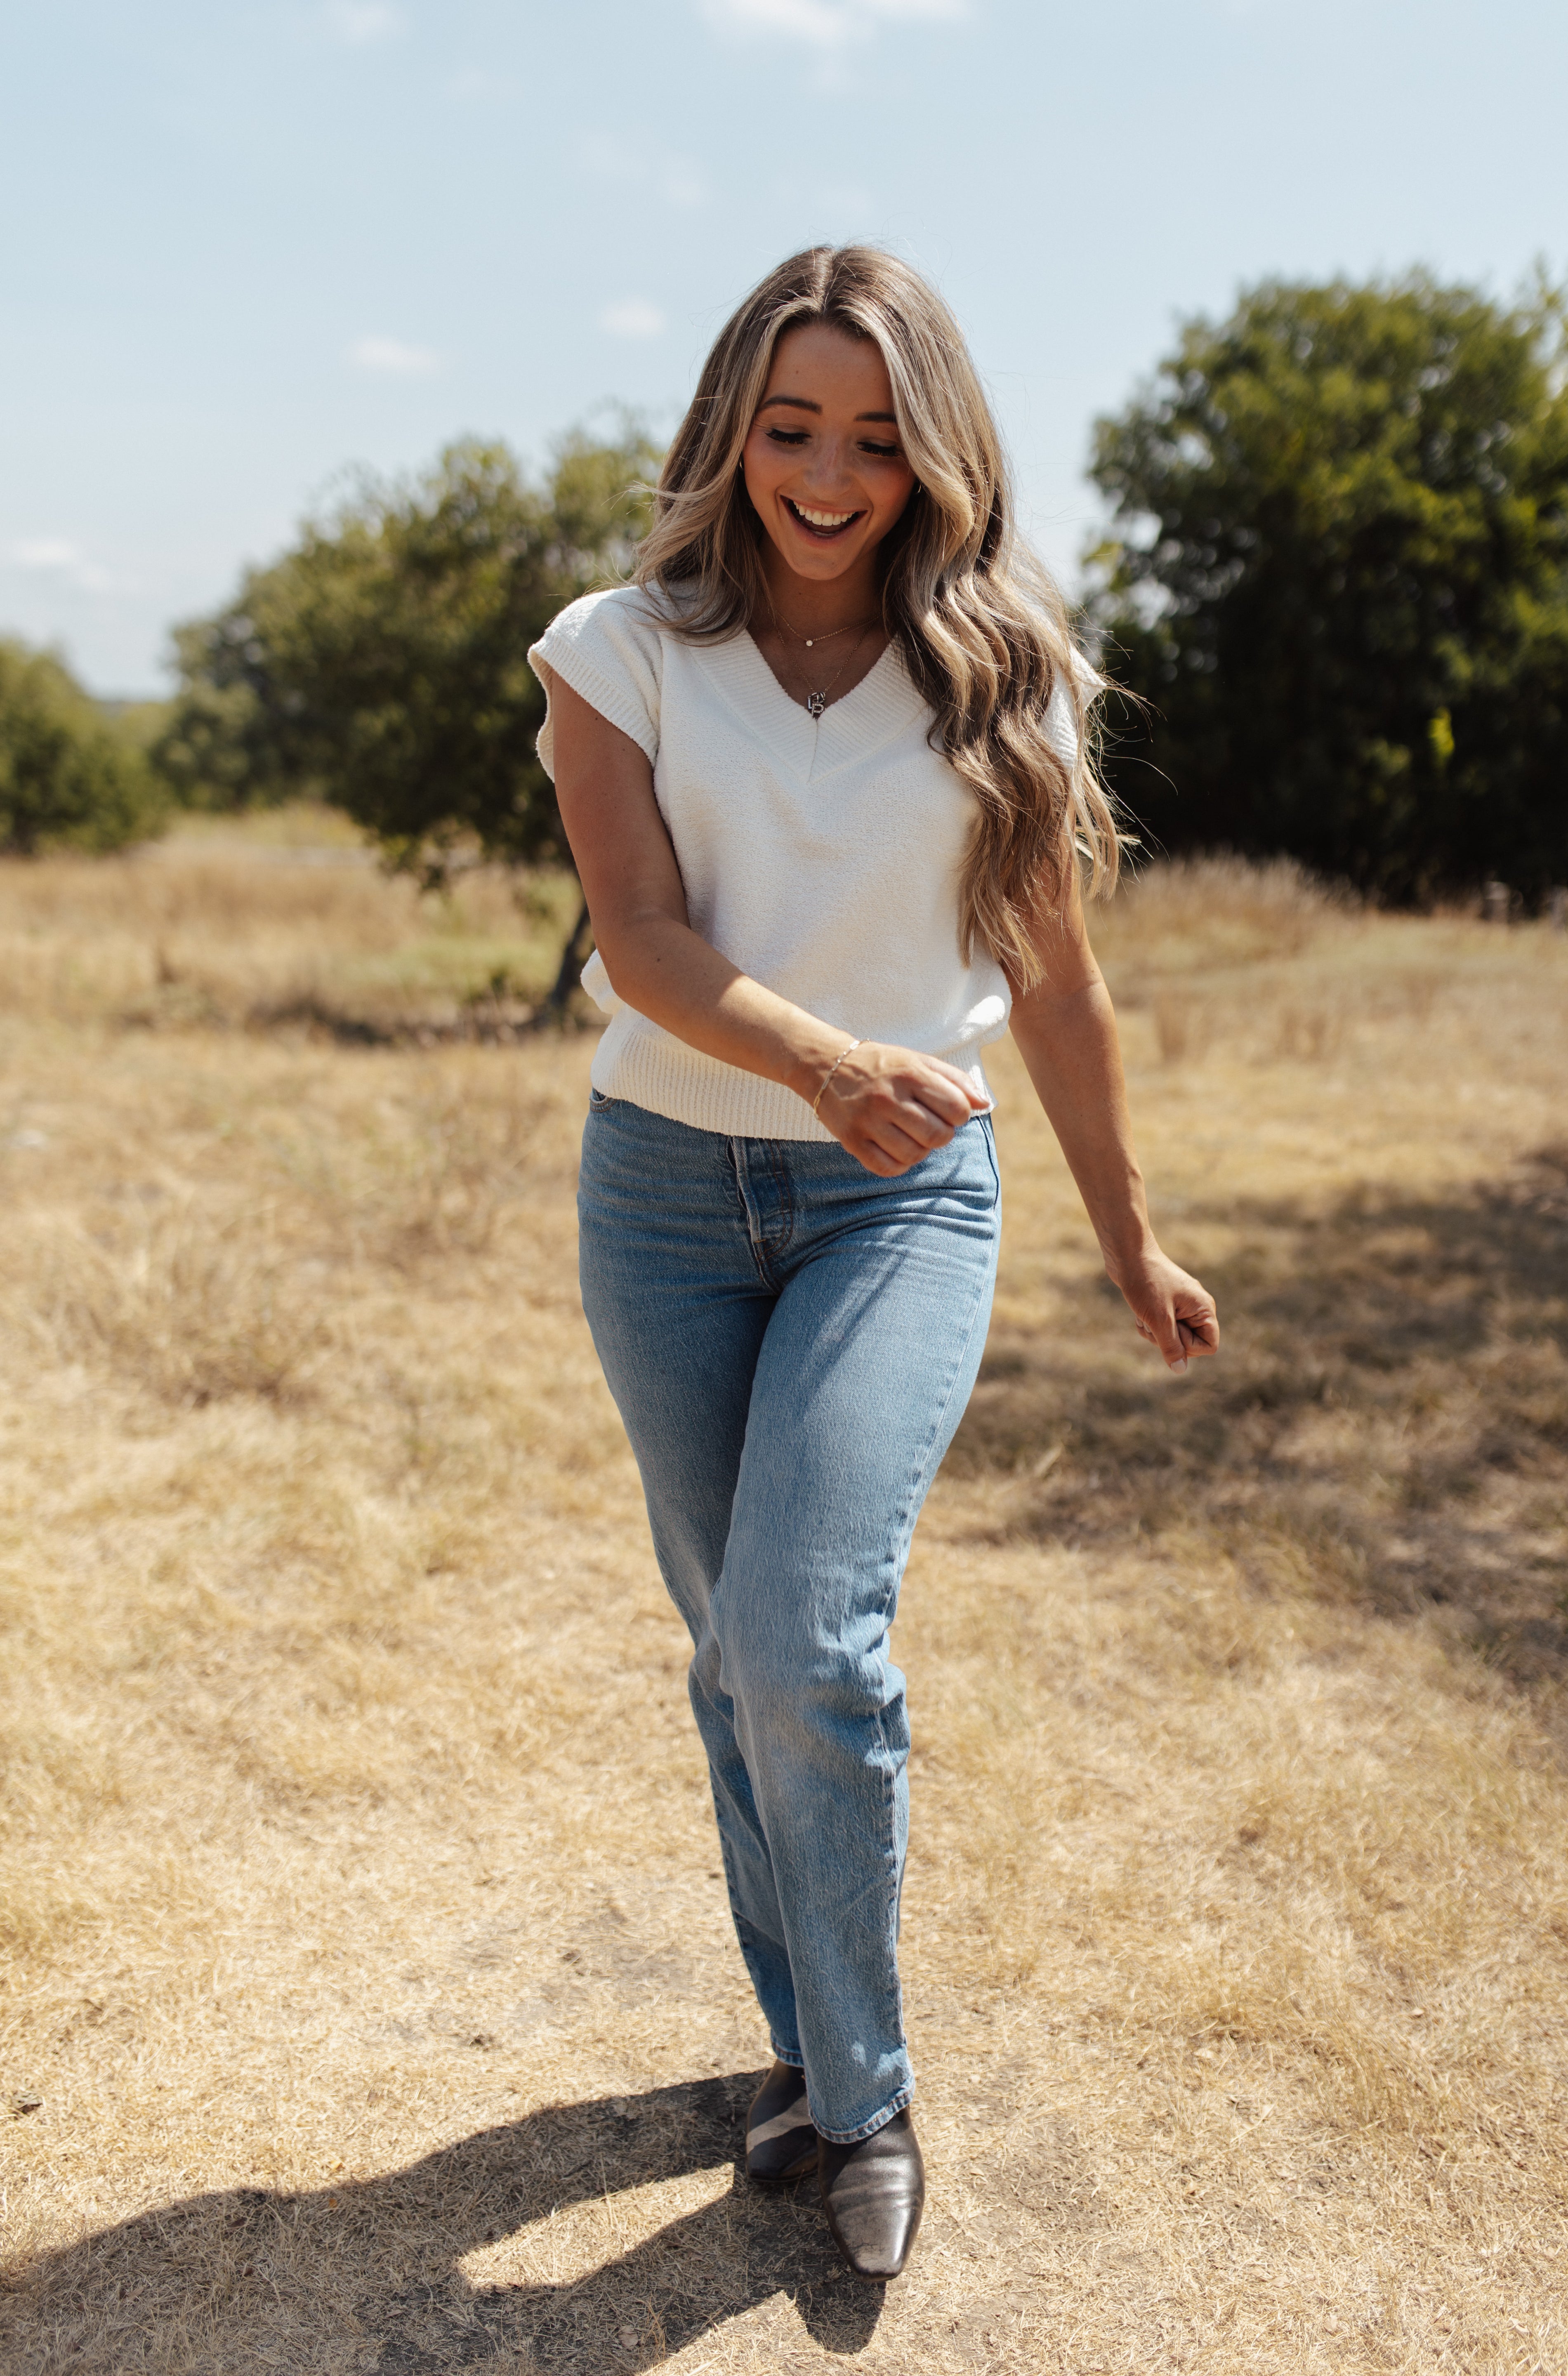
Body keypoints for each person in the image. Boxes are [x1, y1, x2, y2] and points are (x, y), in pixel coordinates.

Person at [528, 245, 1218, 2283]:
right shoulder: (618, 650)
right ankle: (810, 2057)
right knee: (737, 1652)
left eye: (875, 434)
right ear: (733, 429)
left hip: (903, 1198)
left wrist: (1129, 1235)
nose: (828, 472)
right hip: (665, 1191)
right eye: (790, 427)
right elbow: (640, 939)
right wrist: (825, 1058)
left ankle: (870, 2086)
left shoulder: (1007, 669)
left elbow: (1058, 986)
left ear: (937, 452)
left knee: (809, 1637)